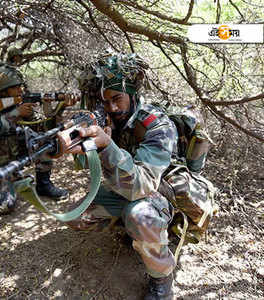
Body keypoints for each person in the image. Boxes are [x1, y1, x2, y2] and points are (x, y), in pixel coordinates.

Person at [59, 54, 179, 300]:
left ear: (133, 94)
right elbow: (83, 164)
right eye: (105, 102)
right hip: (127, 186)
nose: (112, 108)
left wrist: (106, 146)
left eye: (117, 99)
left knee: (140, 215)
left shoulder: (157, 124)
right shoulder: (108, 117)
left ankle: (162, 278)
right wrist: (76, 140)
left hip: (161, 191)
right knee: (76, 216)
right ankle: (131, 229)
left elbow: (143, 184)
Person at [0, 65, 69, 214]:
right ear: (3, 89)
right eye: (16, 87)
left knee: (44, 140)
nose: (21, 91)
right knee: (2, 206)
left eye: (21, 87)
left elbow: (42, 129)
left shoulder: (19, 101)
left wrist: (58, 108)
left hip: (15, 159)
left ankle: (43, 184)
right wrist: (15, 113)